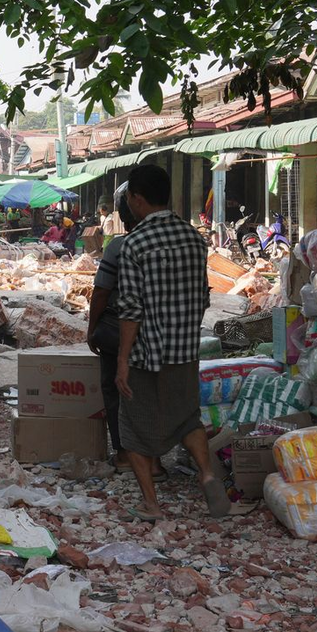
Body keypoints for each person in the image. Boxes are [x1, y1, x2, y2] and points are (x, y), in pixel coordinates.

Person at [115, 163, 230, 521]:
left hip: (147, 352)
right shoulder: (195, 239)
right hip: (185, 349)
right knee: (187, 419)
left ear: (136, 199)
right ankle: (208, 474)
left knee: (133, 427)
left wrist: (121, 360)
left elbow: (131, 310)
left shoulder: (134, 243)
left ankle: (152, 504)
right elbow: (202, 296)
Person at [86, 184, 164, 477]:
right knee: (151, 392)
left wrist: (92, 328)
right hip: (160, 332)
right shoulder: (172, 243)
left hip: (121, 333)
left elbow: (102, 292)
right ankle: (154, 459)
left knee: (116, 390)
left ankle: (123, 455)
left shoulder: (119, 246)